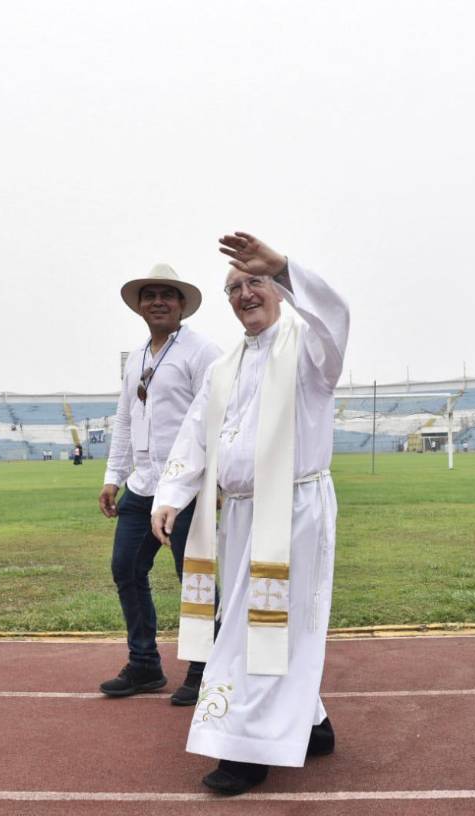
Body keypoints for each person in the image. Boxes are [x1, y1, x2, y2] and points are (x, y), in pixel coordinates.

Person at [151, 231, 349, 795]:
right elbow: (194, 432)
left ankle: (246, 749)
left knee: (251, 628)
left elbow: (335, 319)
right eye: (233, 288)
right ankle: (312, 725)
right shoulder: (225, 364)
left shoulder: (308, 349)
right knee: (258, 624)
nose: (244, 294)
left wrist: (284, 265)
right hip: (238, 516)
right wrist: (171, 495)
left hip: (292, 512)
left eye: (254, 282)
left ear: (281, 290)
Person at [99, 264, 222, 705]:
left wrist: (217, 480)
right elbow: (126, 420)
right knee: (126, 570)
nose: (157, 301)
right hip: (142, 485)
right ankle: (145, 664)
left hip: (187, 488)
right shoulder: (137, 358)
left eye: (167, 295)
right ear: (139, 305)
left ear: (182, 304)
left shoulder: (202, 352)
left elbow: (220, 417)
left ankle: (206, 668)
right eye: (149, 295)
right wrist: (114, 476)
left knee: (194, 578)